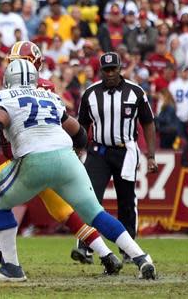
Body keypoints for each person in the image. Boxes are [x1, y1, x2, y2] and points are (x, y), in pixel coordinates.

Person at [0, 59, 156, 282]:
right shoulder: (49, 97)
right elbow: (79, 133)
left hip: (33, 158)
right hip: (66, 157)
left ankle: (11, 268)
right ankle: (140, 257)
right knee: (96, 213)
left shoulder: (3, 97)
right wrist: (72, 157)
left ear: (9, 79)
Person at [75, 52, 158, 263]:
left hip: (125, 150)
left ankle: (129, 248)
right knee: (88, 197)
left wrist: (150, 155)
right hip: (99, 150)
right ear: (101, 71)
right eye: (106, 70)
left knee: (126, 199)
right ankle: (86, 245)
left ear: (120, 69)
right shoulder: (90, 93)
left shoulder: (136, 92)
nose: (110, 73)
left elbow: (148, 122)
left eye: (114, 69)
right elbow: (82, 124)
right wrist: (78, 149)